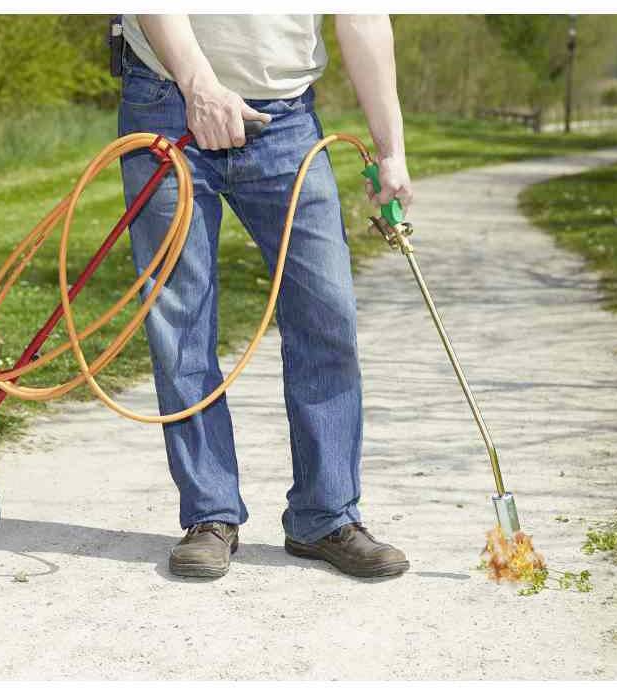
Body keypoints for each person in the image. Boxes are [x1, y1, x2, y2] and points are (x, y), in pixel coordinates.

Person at [118, 14, 414, 579]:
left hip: (288, 118)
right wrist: (198, 85)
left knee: (326, 314)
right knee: (180, 318)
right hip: (168, 96)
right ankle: (210, 514)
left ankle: (326, 516)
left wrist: (390, 150)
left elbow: (362, 14)